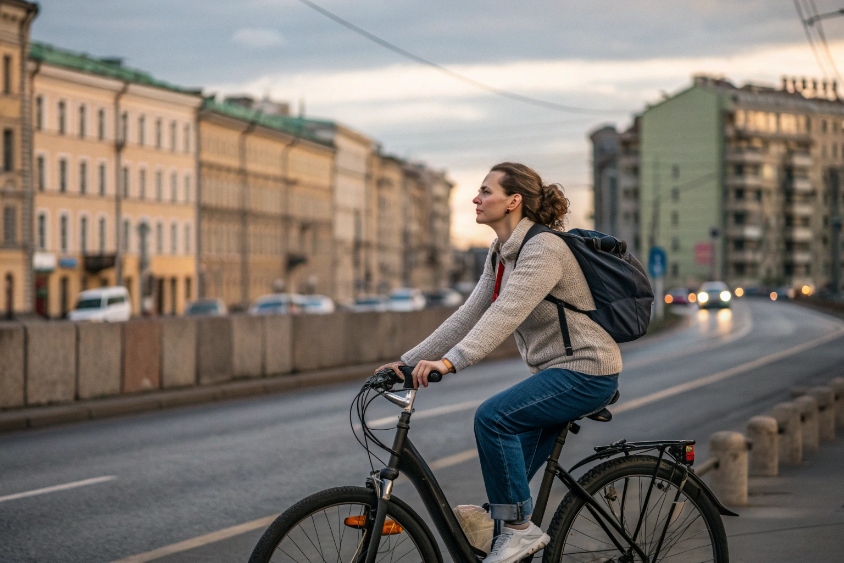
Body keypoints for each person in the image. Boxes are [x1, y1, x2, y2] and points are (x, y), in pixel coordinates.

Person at [376, 162, 622, 563]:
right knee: (507, 480)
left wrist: (449, 364)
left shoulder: (544, 249)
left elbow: (504, 314)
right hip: (556, 372)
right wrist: (407, 364)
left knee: (493, 418)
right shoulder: (501, 252)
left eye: (485, 191)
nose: (476, 198)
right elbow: (469, 314)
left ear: (514, 201)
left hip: (588, 370)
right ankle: (510, 529)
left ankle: (520, 531)